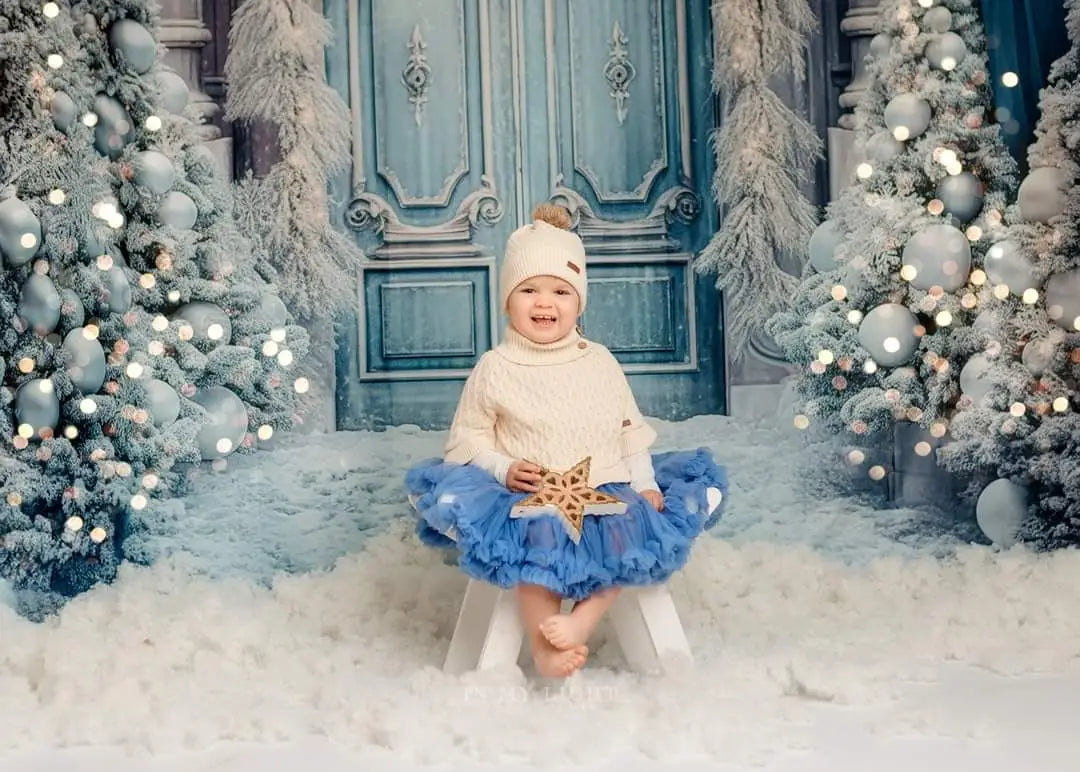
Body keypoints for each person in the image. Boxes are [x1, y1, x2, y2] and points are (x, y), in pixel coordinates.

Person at [405, 204, 726, 678]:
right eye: (528, 290)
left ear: (579, 303)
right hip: (529, 493)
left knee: (629, 534)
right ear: (507, 300)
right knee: (537, 545)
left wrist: (644, 482)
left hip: (606, 485)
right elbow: (466, 439)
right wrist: (502, 468)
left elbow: (628, 430)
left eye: (560, 291)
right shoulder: (496, 367)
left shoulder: (599, 361)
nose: (544, 303)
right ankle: (544, 645)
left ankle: (581, 621)